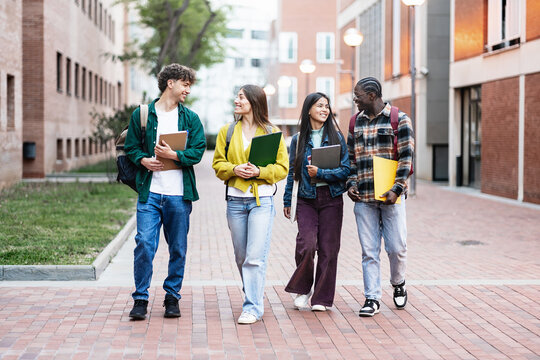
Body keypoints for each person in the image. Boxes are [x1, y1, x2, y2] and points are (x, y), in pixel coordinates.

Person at [124, 64, 206, 320]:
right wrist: (143, 160)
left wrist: (175, 155)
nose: (187, 90)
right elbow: (131, 147)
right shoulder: (142, 114)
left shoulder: (190, 118)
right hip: (150, 194)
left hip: (178, 195)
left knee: (178, 248)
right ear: (170, 83)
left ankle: (172, 296)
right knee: (144, 245)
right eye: (185, 84)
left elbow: (198, 150)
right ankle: (140, 298)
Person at [212, 85, 288, 324]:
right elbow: (217, 164)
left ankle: (252, 307)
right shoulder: (227, 131)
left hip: (261, 202)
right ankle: (253, 292)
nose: (236, 100)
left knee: (255, 257)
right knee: (241, 256)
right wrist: (234, 169)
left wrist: (259, 171)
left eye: (241, 97)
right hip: (235, 201)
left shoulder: (271, 131)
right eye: (237, 96)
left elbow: (282, 168)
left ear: (254, 102)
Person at [347, 77, 414, 317]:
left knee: (396, 248)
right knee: (369, 251)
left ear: (372, 96)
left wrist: (396, 189)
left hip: (392, 198)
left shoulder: (400, 119)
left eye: (358, 95)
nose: (355, 99)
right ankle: (371, 298)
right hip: (364, 199)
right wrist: (350, 184)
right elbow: (351, 159)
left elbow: (406, 158)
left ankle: (398, 283)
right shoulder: (355, 122)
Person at [283, 92, 350, 311]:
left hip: (331, 199)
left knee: (329, 250)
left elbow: (346, 169)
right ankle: (303, 289)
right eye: (320, 105)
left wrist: (321, 173)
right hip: (306, 199)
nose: (324, 109)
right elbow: (292, 172)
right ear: (309, 108)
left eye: (327, 106)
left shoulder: (337, 137)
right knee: (307, 244)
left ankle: (321, 299)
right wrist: (286, 200)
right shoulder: (298, 139)